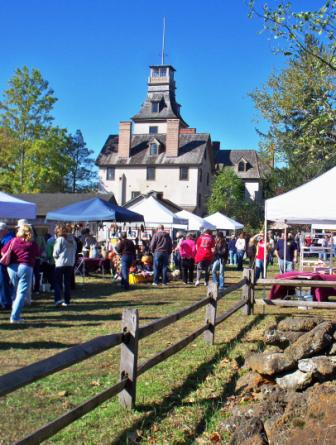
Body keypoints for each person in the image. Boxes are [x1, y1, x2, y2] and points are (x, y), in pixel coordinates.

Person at [1, 224, 39, 323]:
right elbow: (38, 254)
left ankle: (15, 312)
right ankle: (15, 317)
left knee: (15, 291)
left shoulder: (13, 241)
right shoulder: (32, 243)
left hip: (12, 268)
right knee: (21, 293)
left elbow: (3, 251)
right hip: (26, 267)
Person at [53, 224, 77, 307]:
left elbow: (55, 253)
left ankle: (58, 299)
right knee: (67, 283)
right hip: (70, 263)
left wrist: (55, 258)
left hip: (60, 263)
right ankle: (67, 301)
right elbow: (75, 250)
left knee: (58, 283)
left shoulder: (60, 239)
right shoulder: (73, 240)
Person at [0, 222, 14, 309]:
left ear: (5, 230)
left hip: (5, 264)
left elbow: (6, 253)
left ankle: (6, 302)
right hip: (4, 264)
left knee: (4, 283)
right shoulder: (6, 238)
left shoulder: (8, 238)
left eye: (0, 230)